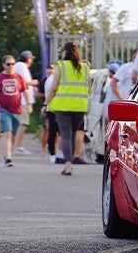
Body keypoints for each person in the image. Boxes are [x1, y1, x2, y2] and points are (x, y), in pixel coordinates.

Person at [46, 42, 89, 176]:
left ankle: (68, 166)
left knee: (65, 135)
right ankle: (70, 162)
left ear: (65, 52)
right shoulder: (85, 68)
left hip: (63, 106)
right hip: (80, 106)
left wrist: (45, 103)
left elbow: (53, 87)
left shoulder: (61, 65)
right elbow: (89, 88)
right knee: (72, 134)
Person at [0, 54, 27, 167]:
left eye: (12, 64)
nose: (11, 66)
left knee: (13, 135)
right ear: (3, 65)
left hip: (17, 110)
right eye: (8, 64)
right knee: (7, 133)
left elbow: (25, 91)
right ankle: (8, 158)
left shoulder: (19, 77)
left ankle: (8, 153)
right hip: (4, 109)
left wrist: (29, 104)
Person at [13, 50, 36, 154]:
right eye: (31, 59)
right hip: (22, 100)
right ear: (28, 59)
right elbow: (24, 82)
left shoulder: (18, 66)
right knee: (23, 123)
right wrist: (34, 82)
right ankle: (19, 146)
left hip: (19, 99)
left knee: (20, 123)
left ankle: (15, 145)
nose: (31, 61)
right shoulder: (22, 67)